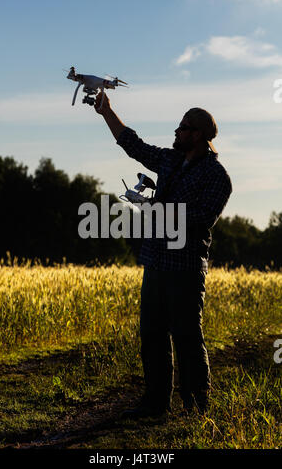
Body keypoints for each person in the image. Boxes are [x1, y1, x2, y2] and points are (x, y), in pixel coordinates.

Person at [94, 91, 232, 418]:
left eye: (182, 128)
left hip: (184, 268)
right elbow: (134, 145)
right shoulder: (169, 160)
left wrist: (157, 207)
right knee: (152, 336)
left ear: (197, 134)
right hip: (155, 261)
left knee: (186, 336)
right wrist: (106, 112)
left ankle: (196, 406)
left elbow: (202, 218)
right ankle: (156, 404)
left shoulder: (217, 176)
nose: (176, 132)